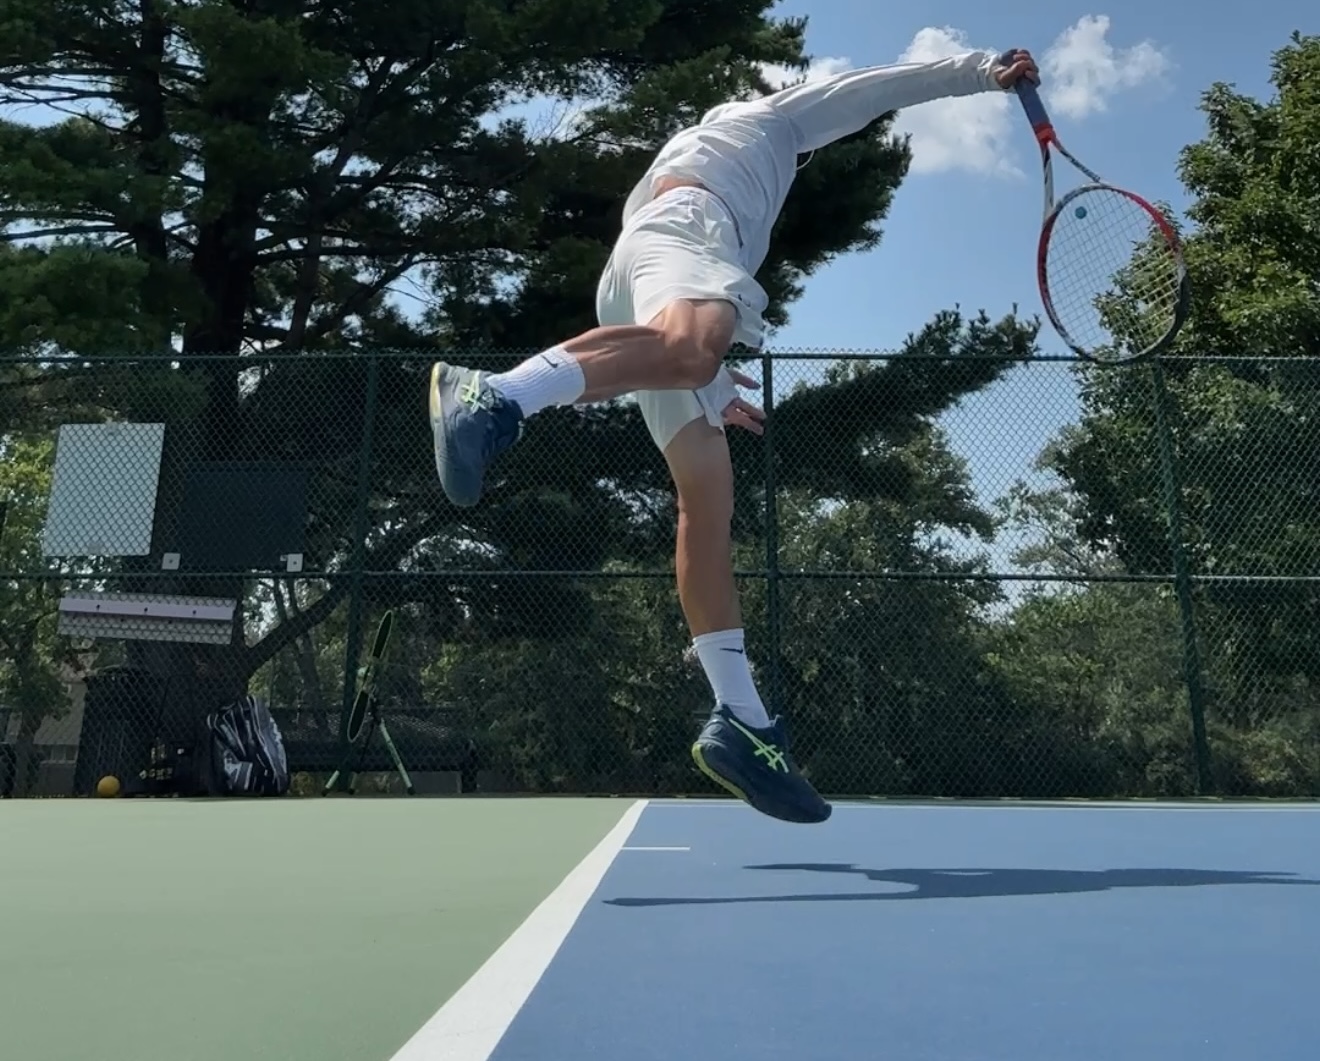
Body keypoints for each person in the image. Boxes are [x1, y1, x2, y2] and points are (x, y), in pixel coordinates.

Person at [428, 45, 1040, 824]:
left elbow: (653, 288)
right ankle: (496, 396)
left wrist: (708, 380)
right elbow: (873, 91)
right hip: (687, 232)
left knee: (705, 495)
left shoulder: (700, 159)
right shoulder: (770, 122)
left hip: (644, 260)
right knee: (691, 351)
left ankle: (742, 720)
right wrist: (983, 68)